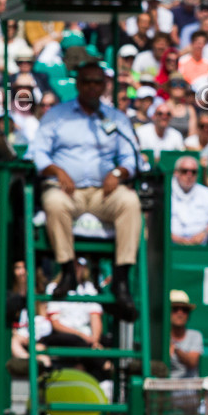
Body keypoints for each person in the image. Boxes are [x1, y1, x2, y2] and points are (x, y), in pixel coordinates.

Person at [27, 61, 141, 321]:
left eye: (97, 82)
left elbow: (131, 159)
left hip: (103, 192)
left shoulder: (115, 118)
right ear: (77, 84)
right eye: (87, 81)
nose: (92, 87)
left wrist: (118, 173)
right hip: (68, 191)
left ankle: (121, 279)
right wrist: (57, 171)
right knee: (54, 203)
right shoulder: (57, 115)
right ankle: (67, 270)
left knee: (131, 202)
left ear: (105, 86)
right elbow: (38, 154)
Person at [170, 157, 208, 246]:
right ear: (176, 173)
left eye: (193, 172)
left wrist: (203, 234)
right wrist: (175, 238)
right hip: (171, 240)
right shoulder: (165, 193)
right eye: (184, 171)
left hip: (203, 240)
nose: (189, 175)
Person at [167, 291, 202, 379]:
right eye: (175, 309)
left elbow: (192, 362)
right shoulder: (159, 337)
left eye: (184, 310)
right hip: (166, 389)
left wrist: (175, 349)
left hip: (190, 390)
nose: (180, 313)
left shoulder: (196, 335)